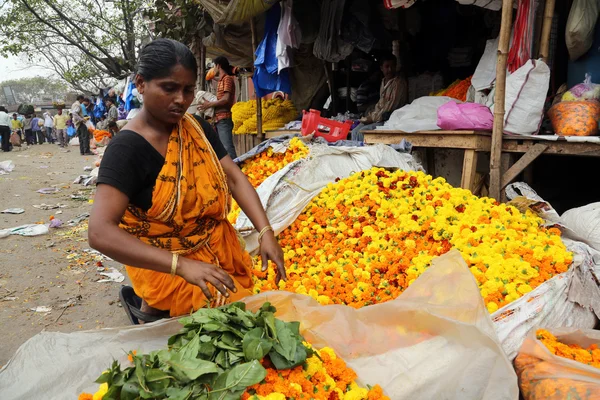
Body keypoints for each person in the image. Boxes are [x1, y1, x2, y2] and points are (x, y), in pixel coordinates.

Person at [88, 39, 285, 323]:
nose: (181, 99)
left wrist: (266, 232)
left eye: (189, 90)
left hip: (208, 248)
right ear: (141, 84)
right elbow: (99, 232)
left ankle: (151, 311)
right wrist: (180, 266)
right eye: (169, 88)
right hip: (161, 261)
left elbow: (235, 178)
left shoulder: (198, 130)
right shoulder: (126, 150)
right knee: (236, 320)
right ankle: (151, 310)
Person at [350, 54, 408, 142]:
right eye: (387, 66)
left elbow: (390, 107)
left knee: (362, 132)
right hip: (379, 117)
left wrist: (372, 118)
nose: (390, 69)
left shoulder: (398, 83)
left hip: (391, 118)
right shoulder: (383, 81)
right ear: (381, 68)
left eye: (392, 66)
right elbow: (381, 103)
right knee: (354, 131)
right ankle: (356, 154)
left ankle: (364, 154)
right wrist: (371, 115)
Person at [198, 56, 237, 160]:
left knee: (227, 148)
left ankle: (237, 172)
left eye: (214, 66)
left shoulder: (227, 79)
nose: (213, 69)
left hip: (224, 118)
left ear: (218, 66)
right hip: (219, 119)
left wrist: (209, 105)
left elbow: (226, 99)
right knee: (222, 150)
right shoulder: (222, 80)